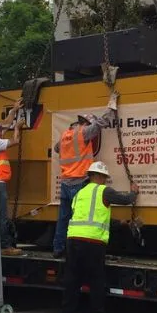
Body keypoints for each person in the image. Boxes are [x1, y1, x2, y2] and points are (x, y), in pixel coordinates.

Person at [59, 161, 138, 313]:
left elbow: (88, 216)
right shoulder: (104, 191)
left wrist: (119, 223)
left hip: (73, 240)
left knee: (72, 281)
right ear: (98, 176)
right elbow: (125, 200)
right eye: (103, 177)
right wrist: (134, 192)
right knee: (96, 282)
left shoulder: (79, 193)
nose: (104, 180)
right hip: (93, 243)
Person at [51, 92, 119, 258]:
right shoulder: (84, 133)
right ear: (86, 123)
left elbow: (56, 149)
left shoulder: (65, 135)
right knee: (79, 219)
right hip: (79, 182)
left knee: (63, 218)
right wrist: (112, 103)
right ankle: (75, 251)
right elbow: (103, 122)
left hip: (65, 183)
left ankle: (58, 249)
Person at [0, 98, 25, 257]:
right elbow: (15, 141)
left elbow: (5, 124)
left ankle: (0, 243)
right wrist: (17, 128)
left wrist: (13, 110)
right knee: (2, 215)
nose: (1, 132)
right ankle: (4, 246)